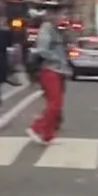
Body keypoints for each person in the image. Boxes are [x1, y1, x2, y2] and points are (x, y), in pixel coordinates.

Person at [28, 9, 69, 146]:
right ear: (53, 16)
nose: (64, 18)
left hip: (57, 70)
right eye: (62, 15)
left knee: (57, 104)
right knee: (54, 104)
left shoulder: (55, 30)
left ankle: (48, 135)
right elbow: (42, 50)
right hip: (50, 70)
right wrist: (57, 59)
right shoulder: (47, 28)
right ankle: (36, 128)